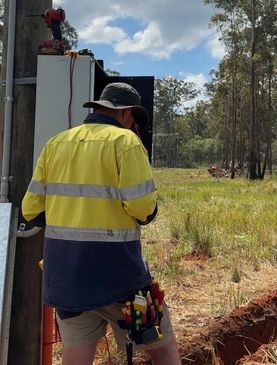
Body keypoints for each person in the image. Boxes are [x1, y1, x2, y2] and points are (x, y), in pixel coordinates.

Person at [22, 82, 181, 365]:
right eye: (134, 120)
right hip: (118, 279)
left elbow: (30, 209)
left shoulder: (55, 143)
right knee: (163, 351)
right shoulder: (126, 142)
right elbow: (143, 209)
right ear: (126, 114)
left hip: (67, 281)